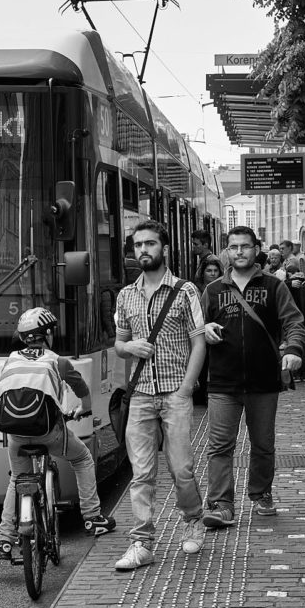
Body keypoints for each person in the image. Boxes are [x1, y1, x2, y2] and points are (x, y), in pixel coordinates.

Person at [113, 219, 207, 571]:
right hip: (139, 394)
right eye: (138, 246)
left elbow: (198, 342)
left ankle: (193, 518)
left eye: (150, 244)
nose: (143, 251)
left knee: (181, 468)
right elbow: (120, 344)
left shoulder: (185, 291)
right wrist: (129, 347)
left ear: (163, 249)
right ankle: (142, 542)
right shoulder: (126, 295)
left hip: (174, 392)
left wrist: (186, 388)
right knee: (141, 473)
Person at [200, 225, 305, 529]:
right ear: (227, 252)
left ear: (256, 249)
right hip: (222, 382)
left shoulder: (274, 287)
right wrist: (203, 331)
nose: (239, 252)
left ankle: (261, 493)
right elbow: (194, 329)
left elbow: (294, 322)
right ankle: (221, 505)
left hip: (264, 381)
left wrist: (294, 349)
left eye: (245, 247)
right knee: (220, 445)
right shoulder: (213, 291)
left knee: (262, 444)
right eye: (233, 247)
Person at [0, 307, 115, 560]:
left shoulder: (11, 359)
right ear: (46, 334)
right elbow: (81, 389)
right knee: (82, 459)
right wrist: (84, 410)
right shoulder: (58, 361)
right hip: (49, 432)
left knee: (17, 478)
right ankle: (92, 518)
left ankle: (4, 540)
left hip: (14, 434)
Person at [193, 259, 225, 405]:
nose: (212, 274)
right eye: (209, 271)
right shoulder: (196, 289)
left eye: (215, 271)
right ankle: (202, 392)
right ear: (203, 273)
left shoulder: (224, 287)